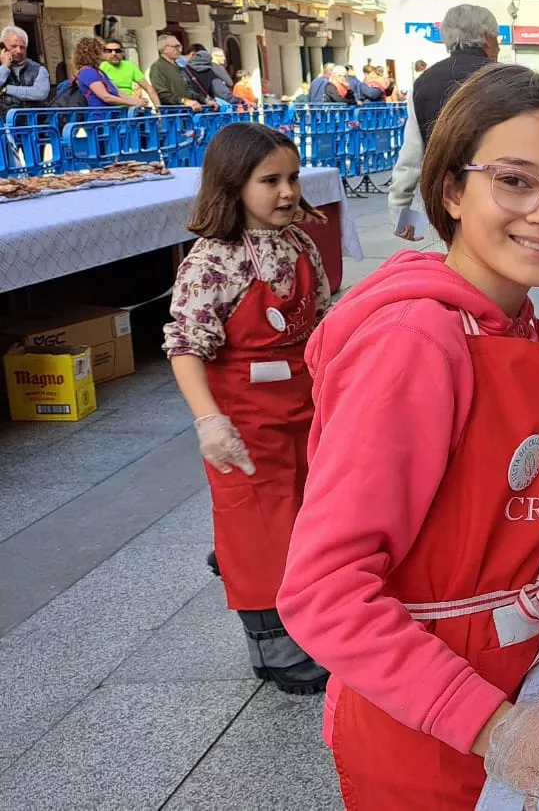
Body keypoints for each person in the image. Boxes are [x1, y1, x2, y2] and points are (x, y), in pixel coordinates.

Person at [277, 65, 539, 809]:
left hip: (503, 677)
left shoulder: (503, 324)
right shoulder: (416, 341)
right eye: (514, 180)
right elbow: (323, 591)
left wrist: (535, 560)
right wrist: (495, 727)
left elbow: (457, 511)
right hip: (428, 725)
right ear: (450, 189)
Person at [164, 122, 333, 693]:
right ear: (233, 185)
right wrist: (208, 421)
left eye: (292, 178)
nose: (287, 192)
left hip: (304, 408)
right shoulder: (212, 261)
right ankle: (273, 648)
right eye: (270, 181)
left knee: (309, 518)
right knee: (258, 530)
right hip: (243, 421)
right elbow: (186, 346)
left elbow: (324, 323)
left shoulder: (300, 244)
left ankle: (313, 617)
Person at [390, 4, 501, 241]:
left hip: (446, 197)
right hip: (498, 193)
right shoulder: (503, 78)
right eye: (496, 36)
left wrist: (401, 213)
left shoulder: (424, 83)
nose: (499, 44)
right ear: (485, 37)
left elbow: (411, 155)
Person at [73, 37, 145, 108]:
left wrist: (136, 100)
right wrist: (133, 102)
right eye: (104, 50)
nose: (109, 53)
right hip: (101, 116)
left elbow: (116, 91)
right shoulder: (88, 72)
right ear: (94, 53)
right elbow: (105, 97)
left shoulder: (99, 71)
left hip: (112, 114)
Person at [98, 38, 160, 108]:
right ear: (104, 53)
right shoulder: (100, 67)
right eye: (109, 51)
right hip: (110, 108)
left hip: (130, 108)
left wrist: (158, 109)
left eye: (117, 51)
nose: (114, 53)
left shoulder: (130, 66)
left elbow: (148, 87)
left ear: (122, 53)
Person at [0, 26, 50, 108]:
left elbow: (40, 93)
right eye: (14, 46)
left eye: (22, 47)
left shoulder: (39, 69)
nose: (19, 51)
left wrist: (6, 89)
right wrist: (5, 67)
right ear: (3, 47)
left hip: (32, 119)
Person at [150, 35, 199, 109]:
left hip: (189, 110)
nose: (180, 50)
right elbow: (163, 94)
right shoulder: (157, 67)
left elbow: (189, 90)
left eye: (180, 46)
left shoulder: (179, 66)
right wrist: (184, 101)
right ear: (165, 49)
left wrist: (205, 100)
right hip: (173, 113)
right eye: (176, 47)